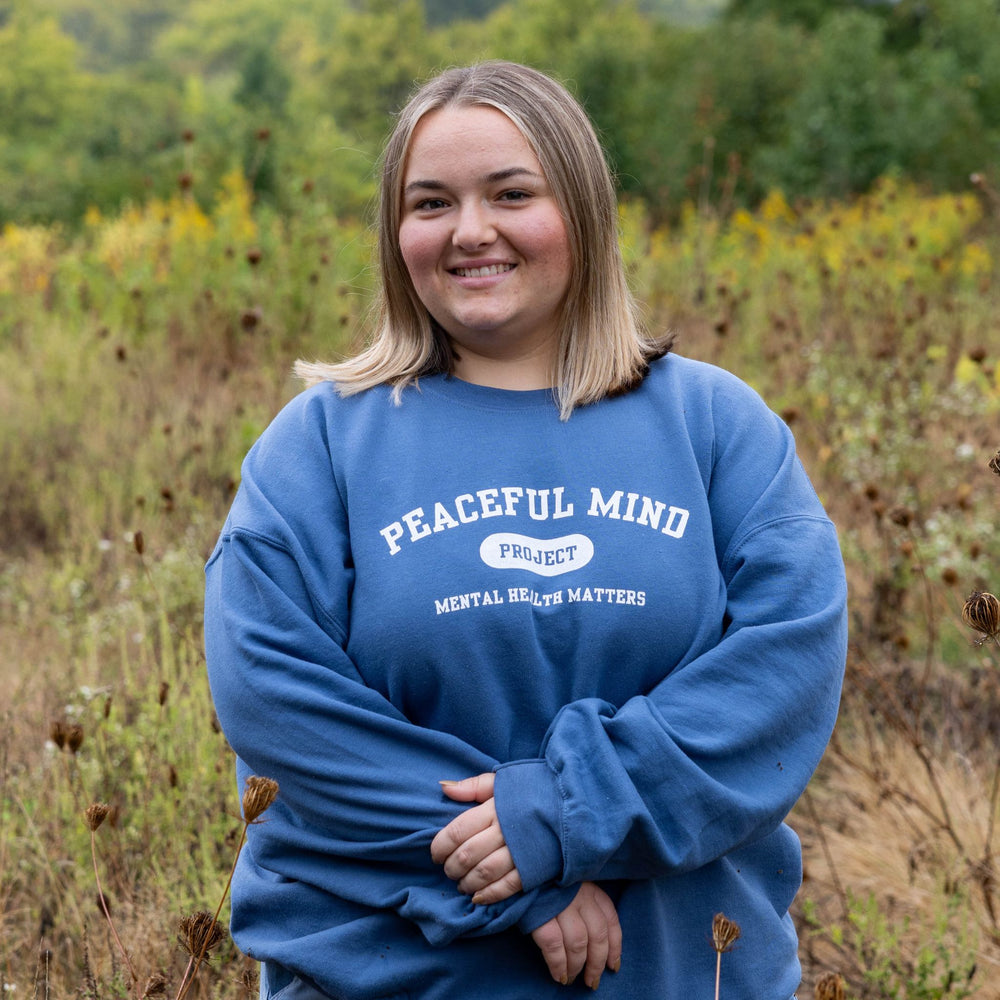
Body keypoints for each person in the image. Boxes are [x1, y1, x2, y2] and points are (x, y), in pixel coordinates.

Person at [204, 60, 847, 999]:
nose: (471, 231)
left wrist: (561, 812)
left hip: (676, 974)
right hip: (385, 978)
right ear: (396, 235)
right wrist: (515, 880)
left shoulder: (715, 426)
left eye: (512, 193)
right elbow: (275, 706)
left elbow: (783, 674)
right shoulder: (321, 444)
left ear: (582, 209)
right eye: (431, 203)